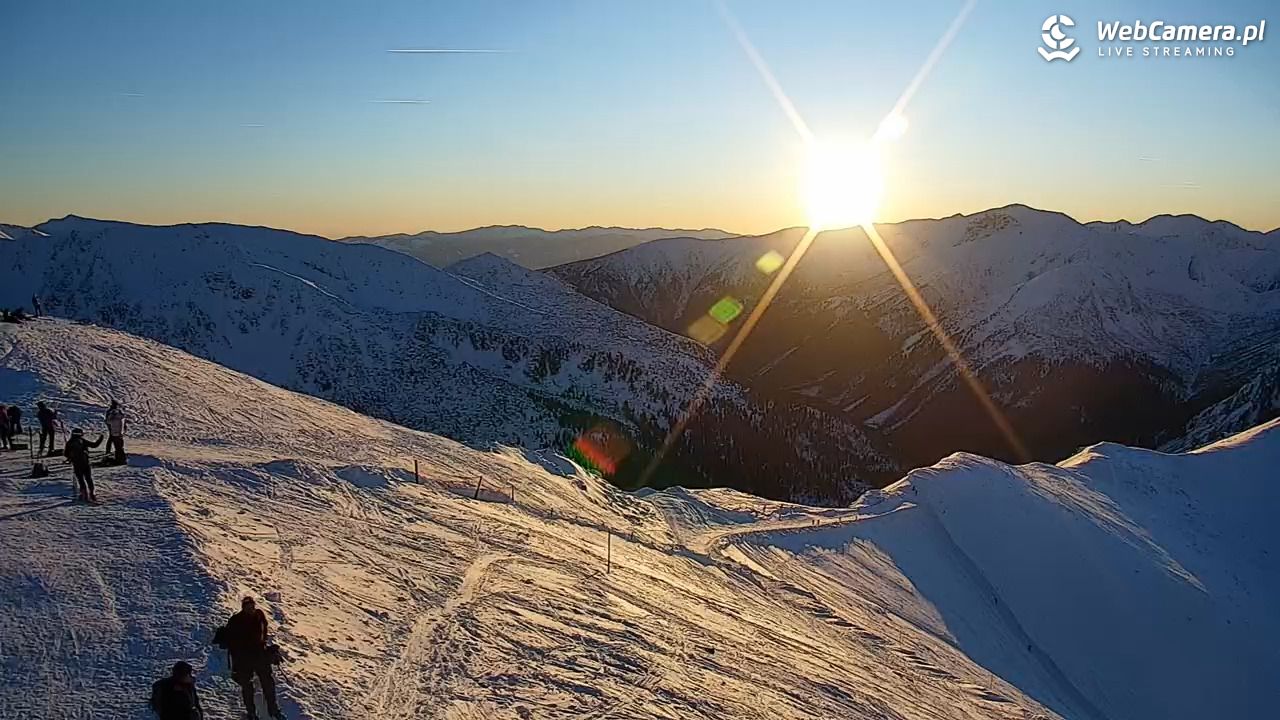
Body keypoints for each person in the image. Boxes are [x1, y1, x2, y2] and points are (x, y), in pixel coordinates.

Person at [223, 596, 284, 720]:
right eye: (247, 606)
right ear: (243, 607)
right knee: (248, 686)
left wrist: (268, 649)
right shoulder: (236, 620)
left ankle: (273, 710)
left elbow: (263, 632)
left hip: (259, 655)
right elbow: (231, 642)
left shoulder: (259, 616)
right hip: (244, 658)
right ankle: (251, 712)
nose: (250, 608)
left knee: (268, 683)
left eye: (251, 606)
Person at [64, 428, 103, 502]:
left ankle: (84, 494)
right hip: (85, 463)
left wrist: (70, 457)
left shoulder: (69, 442)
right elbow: (94, 445)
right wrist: (101, 438)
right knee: (88, 479)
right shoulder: (83, 441)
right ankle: (92, 493)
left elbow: (65, 453)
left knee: (81, 480)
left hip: (76, 464)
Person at [105, 400, 127, 464]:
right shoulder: (120, 413)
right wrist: (124, 430)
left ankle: (116, 457)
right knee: (119, 445)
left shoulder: (111, 412)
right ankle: (121, 458)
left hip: (114, 430)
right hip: (119, 432)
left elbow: (108, 421)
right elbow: (124, 421)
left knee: (113, 441)